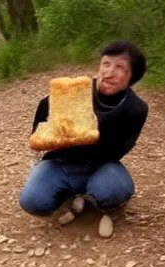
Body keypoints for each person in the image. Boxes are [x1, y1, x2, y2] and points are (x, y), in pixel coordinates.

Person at [19, 40, 148, 238]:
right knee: (33, 202)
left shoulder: (136, 109)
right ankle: (69, 194)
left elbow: (120, 149)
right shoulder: (75, 92)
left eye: (120, 67)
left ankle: (94, 198)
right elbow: (39, 132)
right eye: (106, 64)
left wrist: (90, 132)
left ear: (132, 77)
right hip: (60, 162)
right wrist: (54, 114)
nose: (109, 72)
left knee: (114, 191)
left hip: (102, 165)